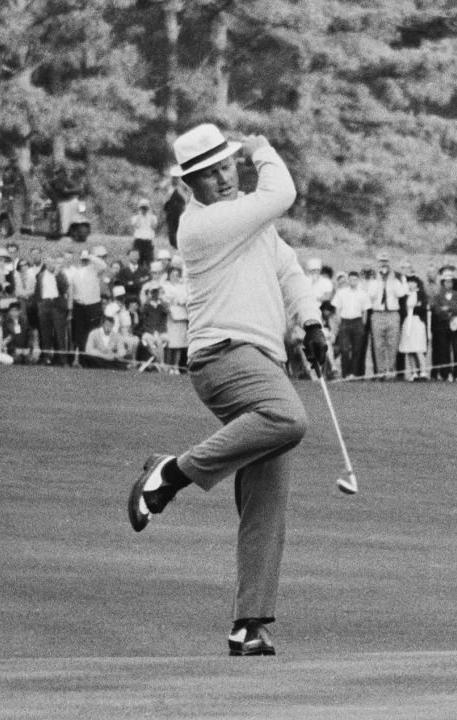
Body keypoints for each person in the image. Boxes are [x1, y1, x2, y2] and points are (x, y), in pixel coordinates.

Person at [126, 124, 328, 658]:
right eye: (209, 174)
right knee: (290, 419)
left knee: (267, 501)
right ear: (190, 184)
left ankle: (249, 624)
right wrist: (262, 146)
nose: (222, 178)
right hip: (223, 358)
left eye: (227, 166)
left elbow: (287, 271)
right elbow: (281, 192)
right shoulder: (205, 225)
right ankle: (170, 473)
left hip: (265, 361)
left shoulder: (247, 220)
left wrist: (311, 323)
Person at [331, 270, 368, 379]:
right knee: (345, 349)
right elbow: (337, 307)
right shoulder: (342, 292)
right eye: (351, 279)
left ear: (358, 280)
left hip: (357, 321)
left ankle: (353, 373)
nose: (353, 281)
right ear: (348, 280)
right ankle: (345, 373)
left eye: (355, 279)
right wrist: (338, 320)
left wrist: (363, 323)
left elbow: (365, 310)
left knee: (357, 349)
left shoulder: (363, 293)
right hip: (345, 321)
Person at [398, 275, 429, 381]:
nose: (411, 284)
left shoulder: (421, 294)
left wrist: (414, 308)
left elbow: (422, 308)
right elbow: (403, 309)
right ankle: (414, 372)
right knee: (409, 349)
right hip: (407, 322)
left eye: (413, 282)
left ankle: (423, 371)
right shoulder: (405, 295)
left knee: (418, 348)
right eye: (409, 282)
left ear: (417, 283)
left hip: (417, 322)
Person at [130, 199, 159, 266]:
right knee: (137, 262)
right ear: (139, 208)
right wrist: (139, 215)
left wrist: (150, 214)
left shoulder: (153, 217)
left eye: (145, 208)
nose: (144, 210)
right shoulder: (136, 217)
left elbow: (154, 226)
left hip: (148, 242)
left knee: (150, 262)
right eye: (142, 208)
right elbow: (136, 225)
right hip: (138, 241)